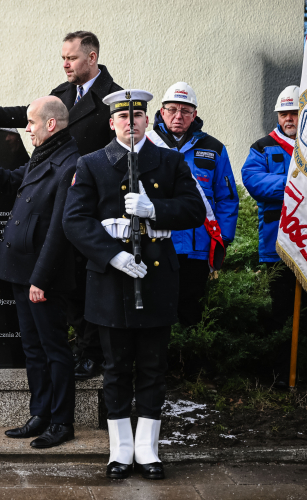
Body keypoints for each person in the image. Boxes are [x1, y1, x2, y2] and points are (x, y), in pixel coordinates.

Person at [0, 31, 123, 380]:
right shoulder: (62, 94)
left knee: (84, 284)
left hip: (89, 202)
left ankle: (90, 353)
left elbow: (120, 150)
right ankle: (78, 352)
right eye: (63, 58)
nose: (65, 64)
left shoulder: (113, 97)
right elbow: (30, 114)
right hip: (53, 198)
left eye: (72, 58)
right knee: (66, 284)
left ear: (91, 58)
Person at [63, 90, 206, 479]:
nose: (131, 122)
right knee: (115, 368)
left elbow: (195, 209)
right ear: (112, 123)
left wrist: (154, 208)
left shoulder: (170, 161)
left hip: (157, 278)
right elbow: (74, 221)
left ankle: (147, 449)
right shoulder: (91, 164)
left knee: (153, 366)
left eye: (137, 116)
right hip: (111, 281)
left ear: (147, 120)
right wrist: (115, 255)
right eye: (123, 117)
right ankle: (120, 449)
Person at [0, 96, 79, 448]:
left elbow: (59, 230)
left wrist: (41, 279)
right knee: (33, 348)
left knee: (54, 349)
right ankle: (40, 414)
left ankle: (62, 421)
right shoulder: (46, 155)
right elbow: (12, 183)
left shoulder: (69, 163)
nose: (27, 128)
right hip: (22, 270)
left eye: (31, 123)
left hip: (43, 276)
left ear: (51, 124)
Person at [146, 82, 239, 327]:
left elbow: (227, 197)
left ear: (194, 115)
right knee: (156, 312)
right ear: (162, 111)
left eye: (185, 111)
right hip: (155, 244)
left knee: (191, 313)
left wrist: (223, 238)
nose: (178, 116)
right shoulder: (145, 145)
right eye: (172, 109)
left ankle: (189, 363)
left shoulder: (214, 148)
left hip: (196, 248)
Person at [241, 85, 301, 388]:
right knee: (281, 313)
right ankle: (280, 377)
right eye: (284, 113)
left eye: (294, 112)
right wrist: (296, 183)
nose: (289, 118)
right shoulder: (263, 146)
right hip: (277, 245)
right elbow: (254, 181)